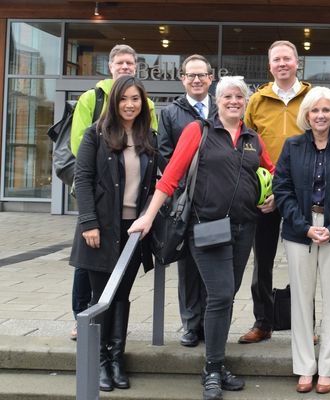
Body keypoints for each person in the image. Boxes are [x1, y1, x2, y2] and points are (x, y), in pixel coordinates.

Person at [128, 76, 274, 400]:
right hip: (206, 227)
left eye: (239, 96)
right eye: (228, 96)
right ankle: (212, 368)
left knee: (225, 297)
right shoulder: (199, 131)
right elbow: (171, 176)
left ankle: (218, 364)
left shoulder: (253, 138)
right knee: (221, 295)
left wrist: (272, 195)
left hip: (243, 229)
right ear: (217, 100)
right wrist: (148, 217)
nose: (234, 101)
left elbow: (269, 170)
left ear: (246, 102)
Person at [274, 86, 330, 395]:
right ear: (307, 115)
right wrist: (304, 228)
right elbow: (282, 188)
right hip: (300, 230)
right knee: (301, 300)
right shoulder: (292, 146)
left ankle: (328, 368)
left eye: (326, 110)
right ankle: (304, 367)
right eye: (315, 110)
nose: (321, 115)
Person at [69, 76, 160, 391]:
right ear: (114, 101)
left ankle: (117, 358)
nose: (130, 104)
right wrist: (88, 221)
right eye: (124, 98)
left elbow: (156, 184)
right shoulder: (95, 134)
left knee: (121, 295)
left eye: (135, 98)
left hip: (134, 230)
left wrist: (148, 215)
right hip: (101, 229)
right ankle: (101, 363)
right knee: (100, 297)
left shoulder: (149, 137)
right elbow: (82, 180)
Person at [239, 40, 312, 344]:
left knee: (305, 263)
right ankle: (263, 322)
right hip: (265, 194)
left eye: (287, 59)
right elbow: (244, 144)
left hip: (303, 193)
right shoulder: (256, 101)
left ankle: (306, 324)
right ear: (269, 66)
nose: (282, 64)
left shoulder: (312, 97)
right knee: (263, 260)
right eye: (276, 60)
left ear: (297, 63)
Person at [158, 54, 217, 347]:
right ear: (182, 79)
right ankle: (191, 324)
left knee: (216, 263)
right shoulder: (170, 113)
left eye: (201, 75)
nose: (196, 80)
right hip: (187, 203)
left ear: (211, 78)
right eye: (190, 75)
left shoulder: (223, 108)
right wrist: (188, 187)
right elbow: (165, 156)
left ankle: (212, 322)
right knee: (189, 267)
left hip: (218, 202)